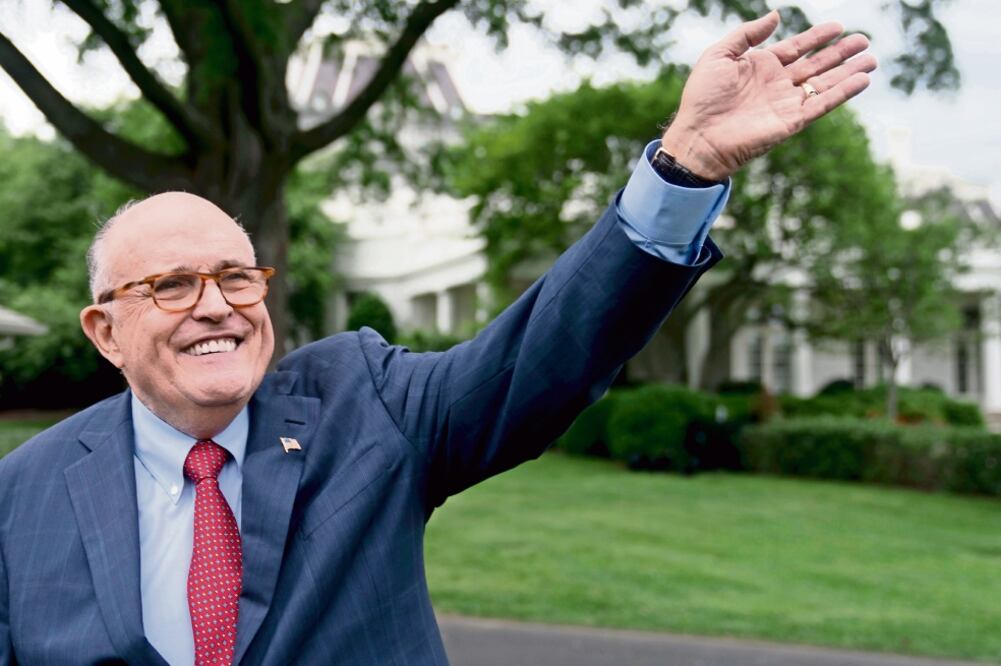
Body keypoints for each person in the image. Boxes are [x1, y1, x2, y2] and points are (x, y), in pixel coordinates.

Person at [0, 12, 873, 665]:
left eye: (236, 276)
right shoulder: (22, 495)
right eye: (172, 285)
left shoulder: (364, 403)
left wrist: (683, 168)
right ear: (104, 330)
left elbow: (543, 356)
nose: (217, 306)